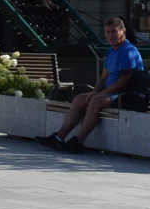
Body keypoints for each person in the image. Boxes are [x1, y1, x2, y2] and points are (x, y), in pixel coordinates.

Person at [37, 17, 144, 153]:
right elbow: (104, 77)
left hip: (126, 95)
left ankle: (78, 141)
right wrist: (95, 91)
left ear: (122, 31)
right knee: (79, 99)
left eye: (114, 32)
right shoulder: (111, 51)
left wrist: (99, 94)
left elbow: (123, 82)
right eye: (107, 32)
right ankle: (59, 137)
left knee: (95, 101)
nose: (110, 35)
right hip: (109, 94)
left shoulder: (128, 51)